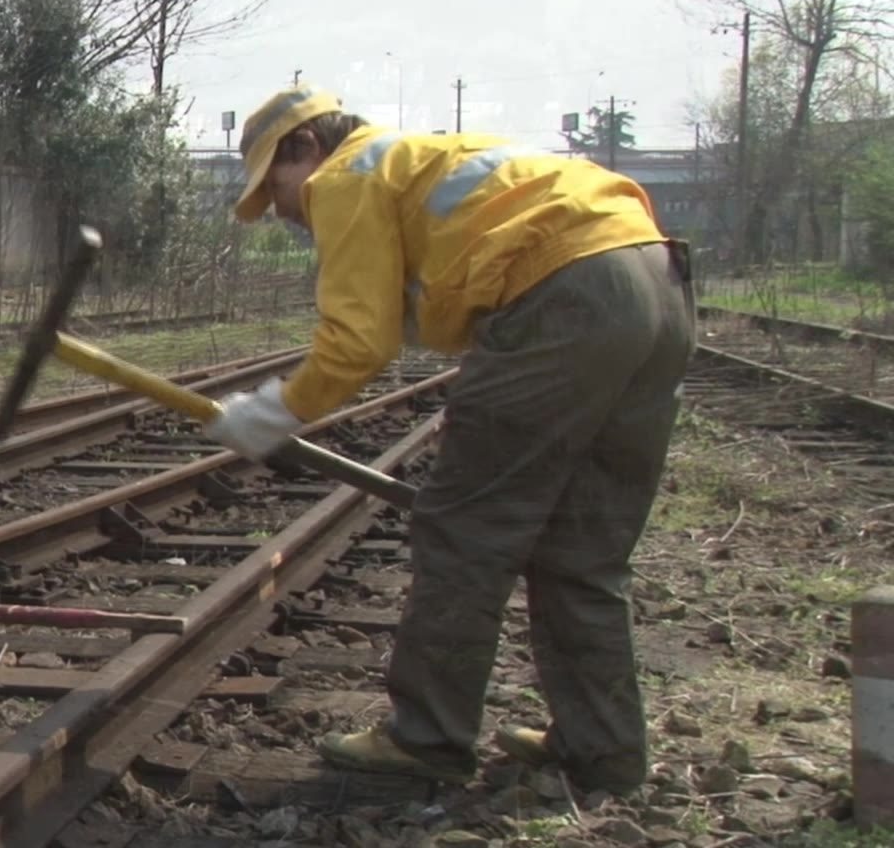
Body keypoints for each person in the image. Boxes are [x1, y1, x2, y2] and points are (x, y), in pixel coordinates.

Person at [206, 83, 695, 791]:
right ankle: (603, 749)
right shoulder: (419, 164)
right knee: (583, 548)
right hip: (655, 275)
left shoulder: (349, 174)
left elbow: (356, 342)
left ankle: (427, 740)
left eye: (276, 186)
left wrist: (272, 410)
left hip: (563, 291)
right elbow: (425, 297)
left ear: (306, 146)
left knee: (466, 528)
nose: (283, 210)